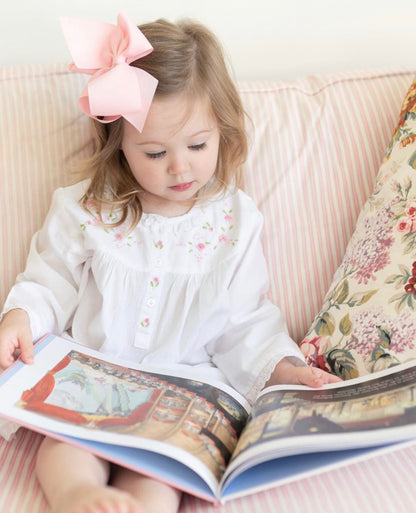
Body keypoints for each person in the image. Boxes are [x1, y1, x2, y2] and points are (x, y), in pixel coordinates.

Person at [0, 14, 341, 513]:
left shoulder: (235, 221)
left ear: (222, 131)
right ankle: (80, 498)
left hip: (177, 397)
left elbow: (245, 323)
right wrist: (19, 318)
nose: (180, 167)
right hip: (93, 379)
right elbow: (49, 281)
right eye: (155, 152)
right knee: (65, 449)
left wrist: (288, 371)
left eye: (197, 146)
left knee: (161, 476)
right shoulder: (85, 209)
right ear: (119, 144)